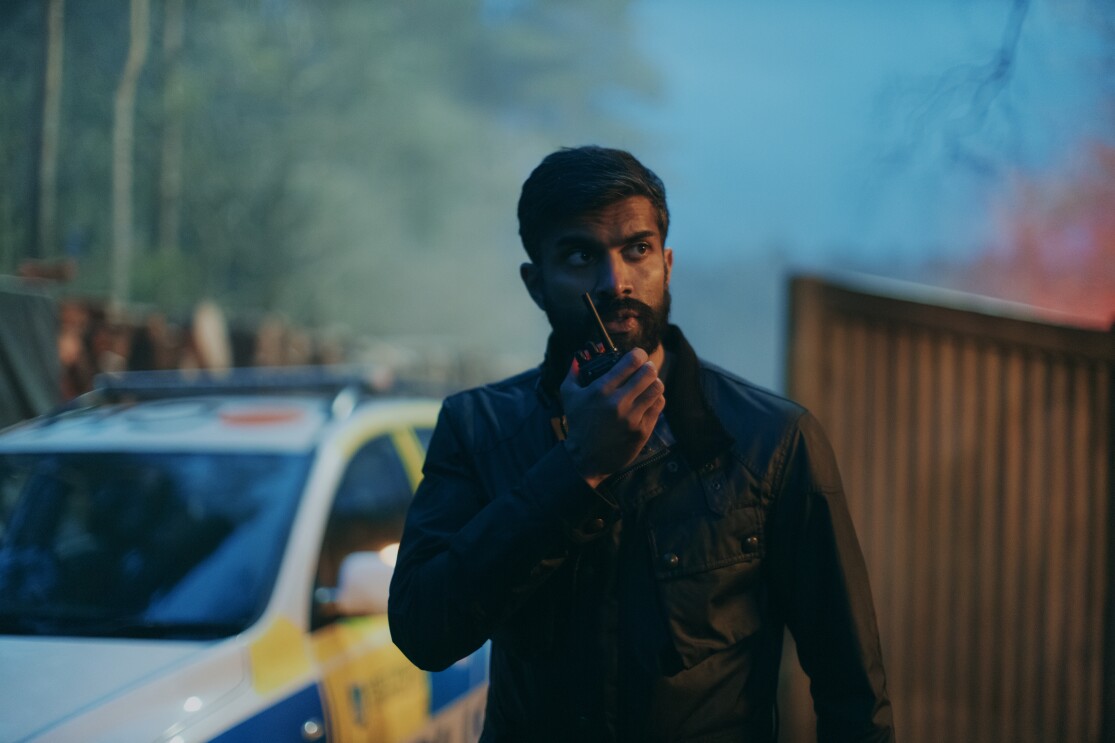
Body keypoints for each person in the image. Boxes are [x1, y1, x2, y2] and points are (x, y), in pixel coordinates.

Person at [388, 146, 894, 742]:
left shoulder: (772, 441)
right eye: (580, 255)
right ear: (536, 283)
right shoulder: (478, 428)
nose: (616, 281)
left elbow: (852, 692)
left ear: (667, 263)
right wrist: (578, 469)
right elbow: (425, 632)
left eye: (638, 249)